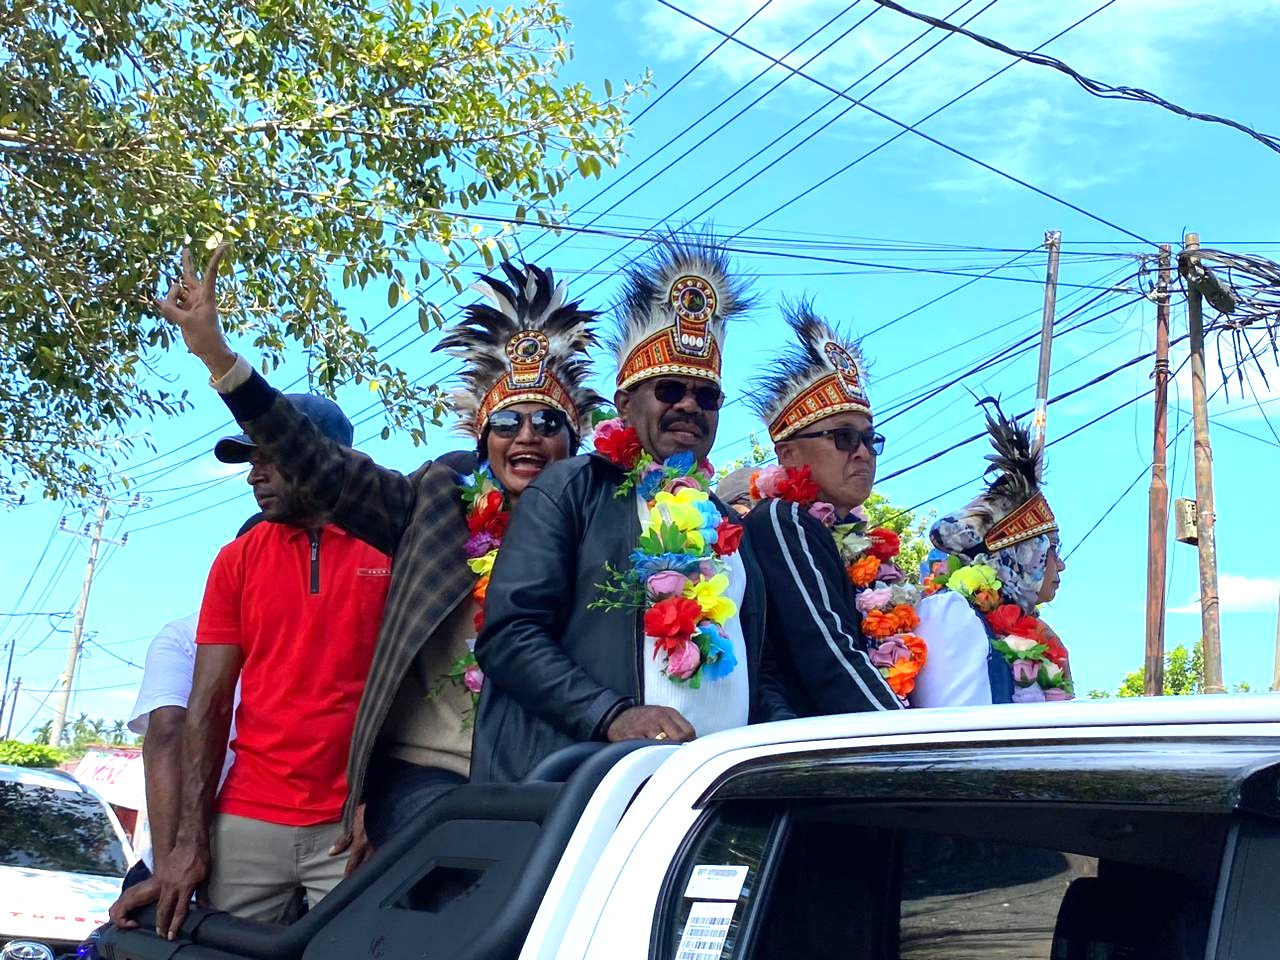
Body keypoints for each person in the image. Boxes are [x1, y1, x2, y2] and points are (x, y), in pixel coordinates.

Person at [140, 247, 601, 853]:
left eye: (548, 423)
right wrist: (218, 357)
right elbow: (318, 462)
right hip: (424, 775)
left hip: (548, 774)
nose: (527, 437)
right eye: (508, 422)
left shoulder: (604, 521)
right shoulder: (436, 500)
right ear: (482, 436)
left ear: (575, 440)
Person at [472, 235, 787, 784]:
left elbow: (762, 672)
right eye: (669, 389)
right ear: (625, 403)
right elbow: (511, 634)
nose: (688, 404)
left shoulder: (729, 525)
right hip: (584, 786)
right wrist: (611, 715)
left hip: (708, 796)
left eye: (705, 395)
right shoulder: (572, 487)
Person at [118, 391, 391, 938]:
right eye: (251, 460)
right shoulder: (236, 559)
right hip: (247, 817)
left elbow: (417, 687)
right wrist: (186, 845)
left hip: (355, 823)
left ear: (318, 457)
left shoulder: (390, 546)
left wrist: (385, 804)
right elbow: (210, 703)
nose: (252, 476)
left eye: (267, 458)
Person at [741, 303, 915, 716]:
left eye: (870, 440)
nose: (862, 453)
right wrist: (915, 745)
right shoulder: (783, 521)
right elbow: (831, 661)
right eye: (843, 437)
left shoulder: (848, 537)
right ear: (787, 452)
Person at [911, 404, 1072, 707]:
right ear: (1022, 552)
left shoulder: (1030, 633)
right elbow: (960, 738)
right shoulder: (950, 612)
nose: (1060, 564)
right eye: (1051, 549)